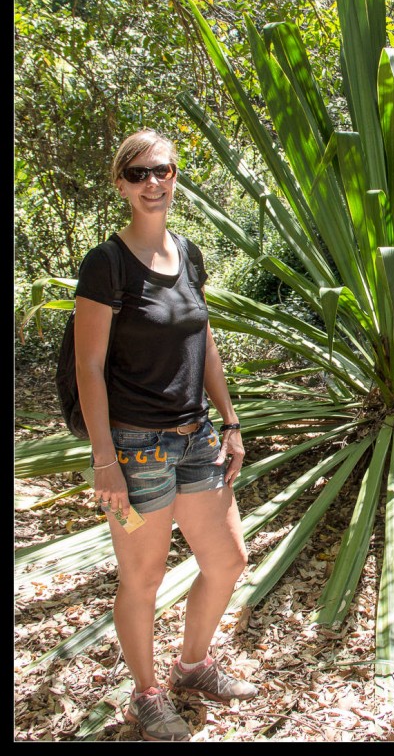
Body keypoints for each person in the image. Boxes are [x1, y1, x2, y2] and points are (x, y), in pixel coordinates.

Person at [74, 128, 257, 742]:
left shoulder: (190, 253)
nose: (153, 182)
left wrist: (229, 420)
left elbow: (204, 342)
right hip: (134, 448)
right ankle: (148, 695)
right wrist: (105, 461)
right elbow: (89, 366)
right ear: (121, 184)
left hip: (196, 438)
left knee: (228, 559)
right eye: (138, 173)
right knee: (143, 578)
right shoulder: (106, 264)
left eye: (163, 170)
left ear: (176, 175)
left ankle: (193, 666)